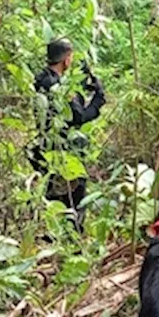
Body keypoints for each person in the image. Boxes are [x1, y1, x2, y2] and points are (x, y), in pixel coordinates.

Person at [31, 38, 106, 230]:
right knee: (74, 195)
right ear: (66, 59)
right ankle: (72, 236)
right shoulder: (60, 89)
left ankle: (52, 234)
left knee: (53, 196)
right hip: (65, 150)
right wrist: (98, 99)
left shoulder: (40, 80)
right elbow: (78, 117)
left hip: (45, 147)